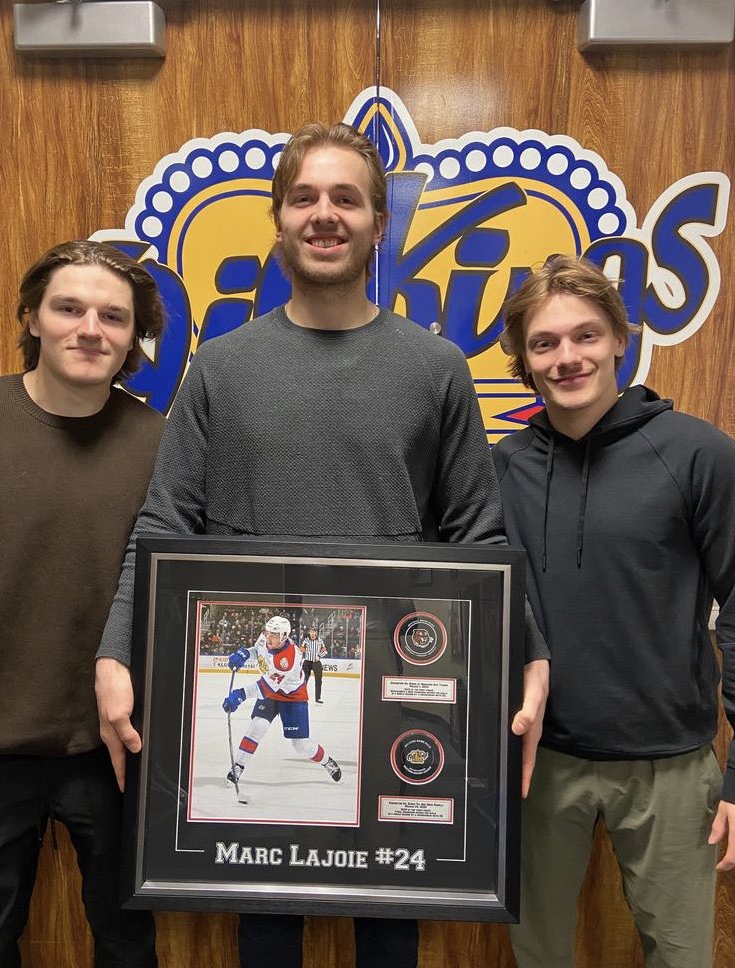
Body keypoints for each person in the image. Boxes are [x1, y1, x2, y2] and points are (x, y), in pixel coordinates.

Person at [95, 121, 549, 968]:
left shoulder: (436, 367)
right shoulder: (220, 368)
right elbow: (164, 527)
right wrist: (117, 652)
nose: (324, 214)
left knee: (391, 923)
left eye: (347, 198)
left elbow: (479, 537)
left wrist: (528, 651)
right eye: (304, 197)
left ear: (380, 222)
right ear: (279, 219)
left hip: (399, 687)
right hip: (260, 661)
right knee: (264, 925)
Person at [494, 254, 735, 968]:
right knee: (536, 954)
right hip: (536, 764)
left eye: (585, 335)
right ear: (524, 360)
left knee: (682, 956)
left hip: (669, 767)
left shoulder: (700, 456)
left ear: (618, 340)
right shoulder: (500, 470)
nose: (567, 357)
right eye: (544, 343)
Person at [0, 240, 166, 968]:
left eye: (113, 317)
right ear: (31, 317)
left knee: (129, 945)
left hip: (118, 751)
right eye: (69, 308)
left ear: (132, 337)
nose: (91, 328)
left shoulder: (161, 444)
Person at [224, 616, 340, 784]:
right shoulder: (265, 637)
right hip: (271, 691)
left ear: (284, 636)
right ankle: (239, 766)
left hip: (292, 697)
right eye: (267, 632)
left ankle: (326, 761)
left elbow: (264, 688)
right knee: (258, 725)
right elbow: (258, 650)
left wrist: (240, 694)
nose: (268, 637)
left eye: (274, 635)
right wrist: (244, 654)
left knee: (300, 745)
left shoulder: (288, 658)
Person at [299, 625, 327, 703]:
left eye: (314, 632)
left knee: (318, 681)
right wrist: (305, 653)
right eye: (311, 632)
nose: (312, 633)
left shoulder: (320, 640)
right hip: (307, 662)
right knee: (304, 680)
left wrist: (319, 656)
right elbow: (301, 649)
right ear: (309, 633)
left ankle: (317, 698)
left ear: (316, 632)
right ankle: (302, 697)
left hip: (316, 662)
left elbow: (324, 651)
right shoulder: (306, 640)